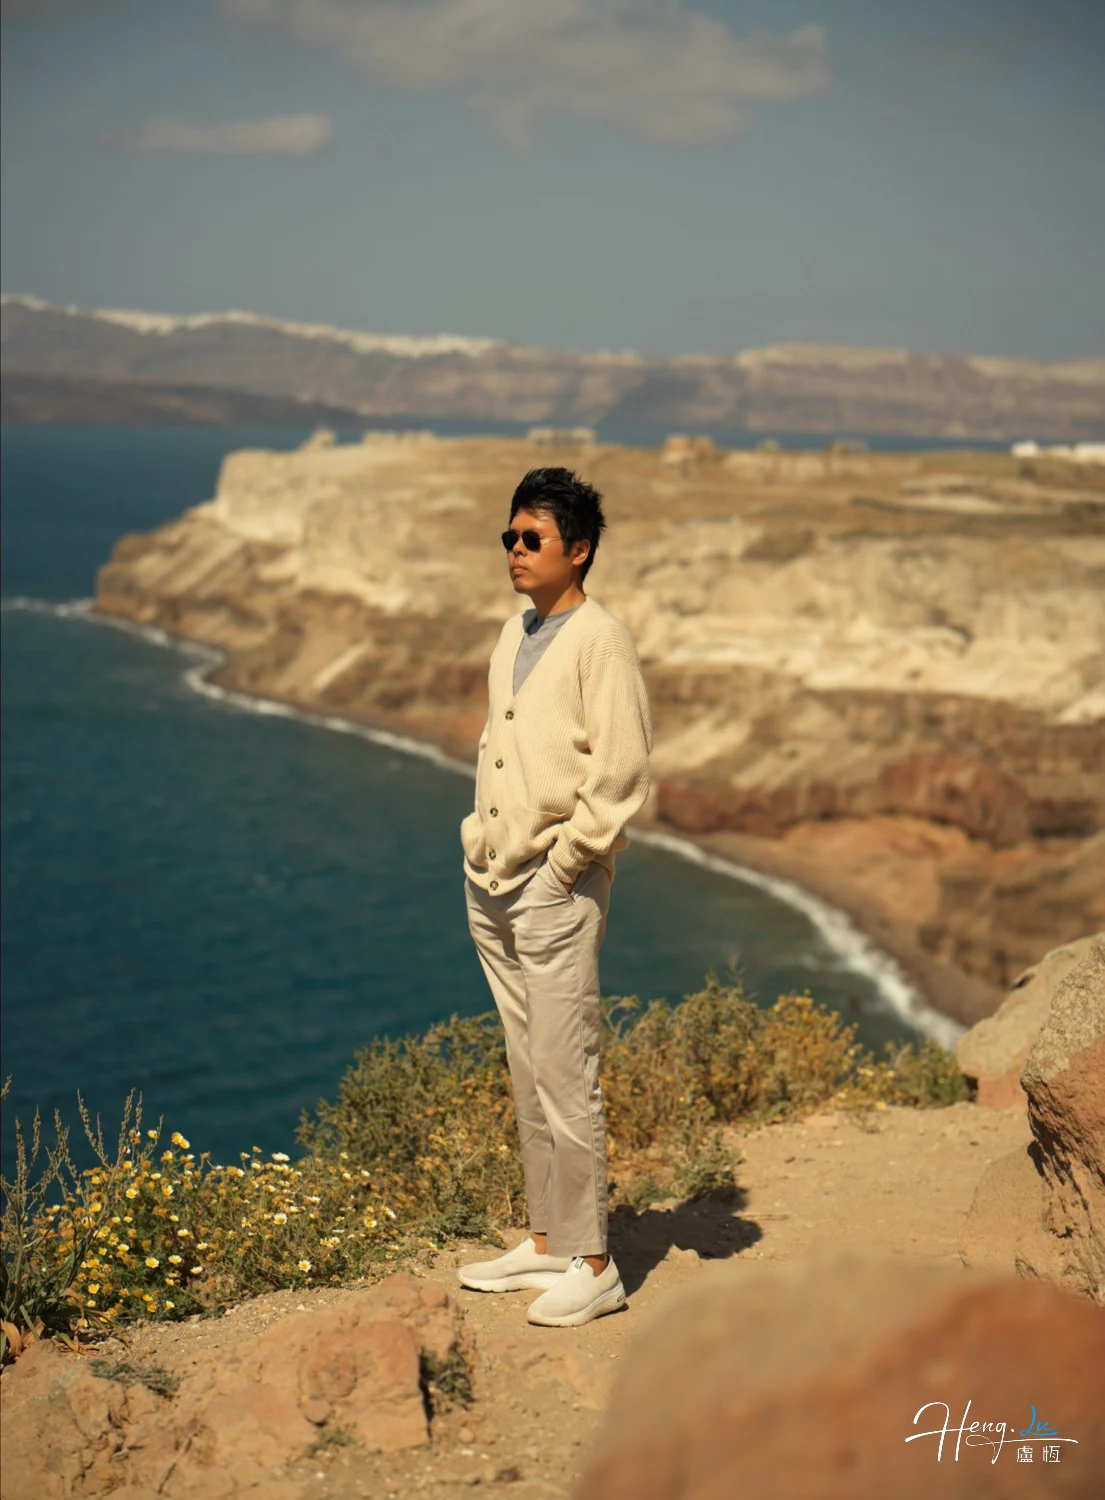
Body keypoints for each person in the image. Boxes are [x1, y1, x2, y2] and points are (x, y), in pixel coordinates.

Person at [457, 466, 653, 1328]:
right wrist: (478, 844)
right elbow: (502, 745)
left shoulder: (598, 640)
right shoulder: (515, 632)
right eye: (508, 537)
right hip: (493, 877)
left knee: (567, 1071)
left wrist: (565, 864)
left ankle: (596, 1262)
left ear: (576, 551)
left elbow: (619, 771)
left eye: (529, 539)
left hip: (552, 884)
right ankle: (546, 1240)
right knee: (526, 1065)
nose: (513, 551)